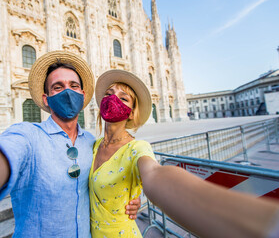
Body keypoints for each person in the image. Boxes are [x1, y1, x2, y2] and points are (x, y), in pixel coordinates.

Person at [0, 51, 140, 238]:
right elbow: (1, 154)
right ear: (46, 98)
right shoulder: (27, 135)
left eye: (74, 86)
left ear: (83, 95)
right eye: (57, 87)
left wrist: (131, 197)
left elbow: (111, 176)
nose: (67, 91)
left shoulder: (92, 143)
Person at [89, 69, 279, 238]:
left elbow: (155, 175)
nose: (113, 99)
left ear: (131, 113)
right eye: (108, 94)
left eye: (123, 98)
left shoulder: (137, 148)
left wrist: (265, 223)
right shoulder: (94, 146)